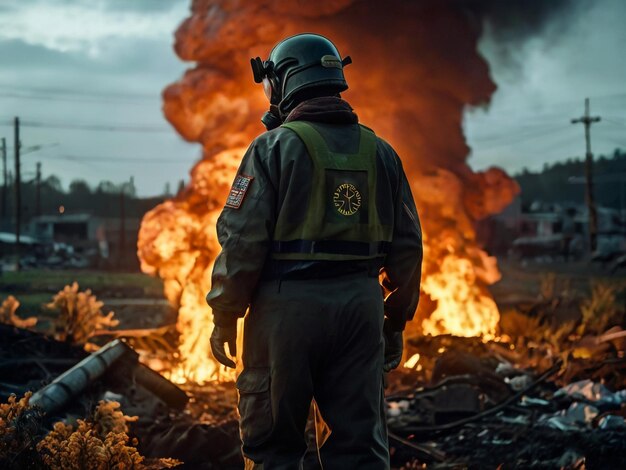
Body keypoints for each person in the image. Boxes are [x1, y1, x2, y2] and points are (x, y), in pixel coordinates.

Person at [206, 33, 423, 469]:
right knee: (360, 452)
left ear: (284, 82)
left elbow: (242, 240)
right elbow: (408, 249)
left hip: (287, 310)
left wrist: (225, 313)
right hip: (361, 312)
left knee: (274, 449)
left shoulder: (272, 147)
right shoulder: (383, 153)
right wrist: (394, 321)